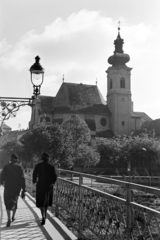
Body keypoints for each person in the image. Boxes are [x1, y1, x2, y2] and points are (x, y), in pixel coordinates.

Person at [0, 154, 26, 227]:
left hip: (8, 187)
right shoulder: (19, 167)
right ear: (16, 159)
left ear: (10, 159)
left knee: (7, 202)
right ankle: (13, 217)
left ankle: (8, 219)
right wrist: (24, 189)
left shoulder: (6, 166)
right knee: (15, 201)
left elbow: (1, 175)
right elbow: (22, 178)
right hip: (16, 188)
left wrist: (1, 182)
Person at [32, 152, 57, 225]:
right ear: (48, 159)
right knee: (46, 201)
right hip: (48, 186)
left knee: (41, 202)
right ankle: (45, 214)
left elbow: (34, 174)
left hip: (40, 185)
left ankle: (42, 215)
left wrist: (34, 181)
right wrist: (52, 183)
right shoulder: (51, 166)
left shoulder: (38, 166)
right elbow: (55, 176)